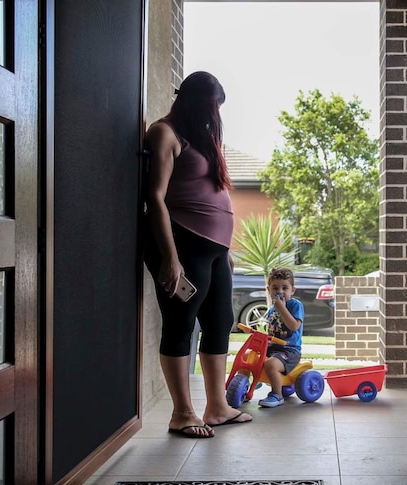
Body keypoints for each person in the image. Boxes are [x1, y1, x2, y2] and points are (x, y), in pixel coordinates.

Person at [142, 71, 252, 438]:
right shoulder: (165, 133)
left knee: (219, 321)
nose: (214, 114)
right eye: (211, 106)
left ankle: (217, 407)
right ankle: (182, 413)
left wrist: (225, 248)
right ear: (191, 101)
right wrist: (169, 257)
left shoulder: (200, 137)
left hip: (215, 250)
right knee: (180, 323)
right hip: (182, 243)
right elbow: (155, 197)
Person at [258, 267, 305, 408]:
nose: (280, 292)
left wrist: (282, 308)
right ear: (269, 290)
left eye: (285, 288)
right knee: (251, 356)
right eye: (275, 288)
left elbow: (293, 326)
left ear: (293, 290)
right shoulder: (272, 309)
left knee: (271, 364)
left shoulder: (295, 305)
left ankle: (277, 395)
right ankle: (250, 382)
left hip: (290, 351)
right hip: (273, 348)